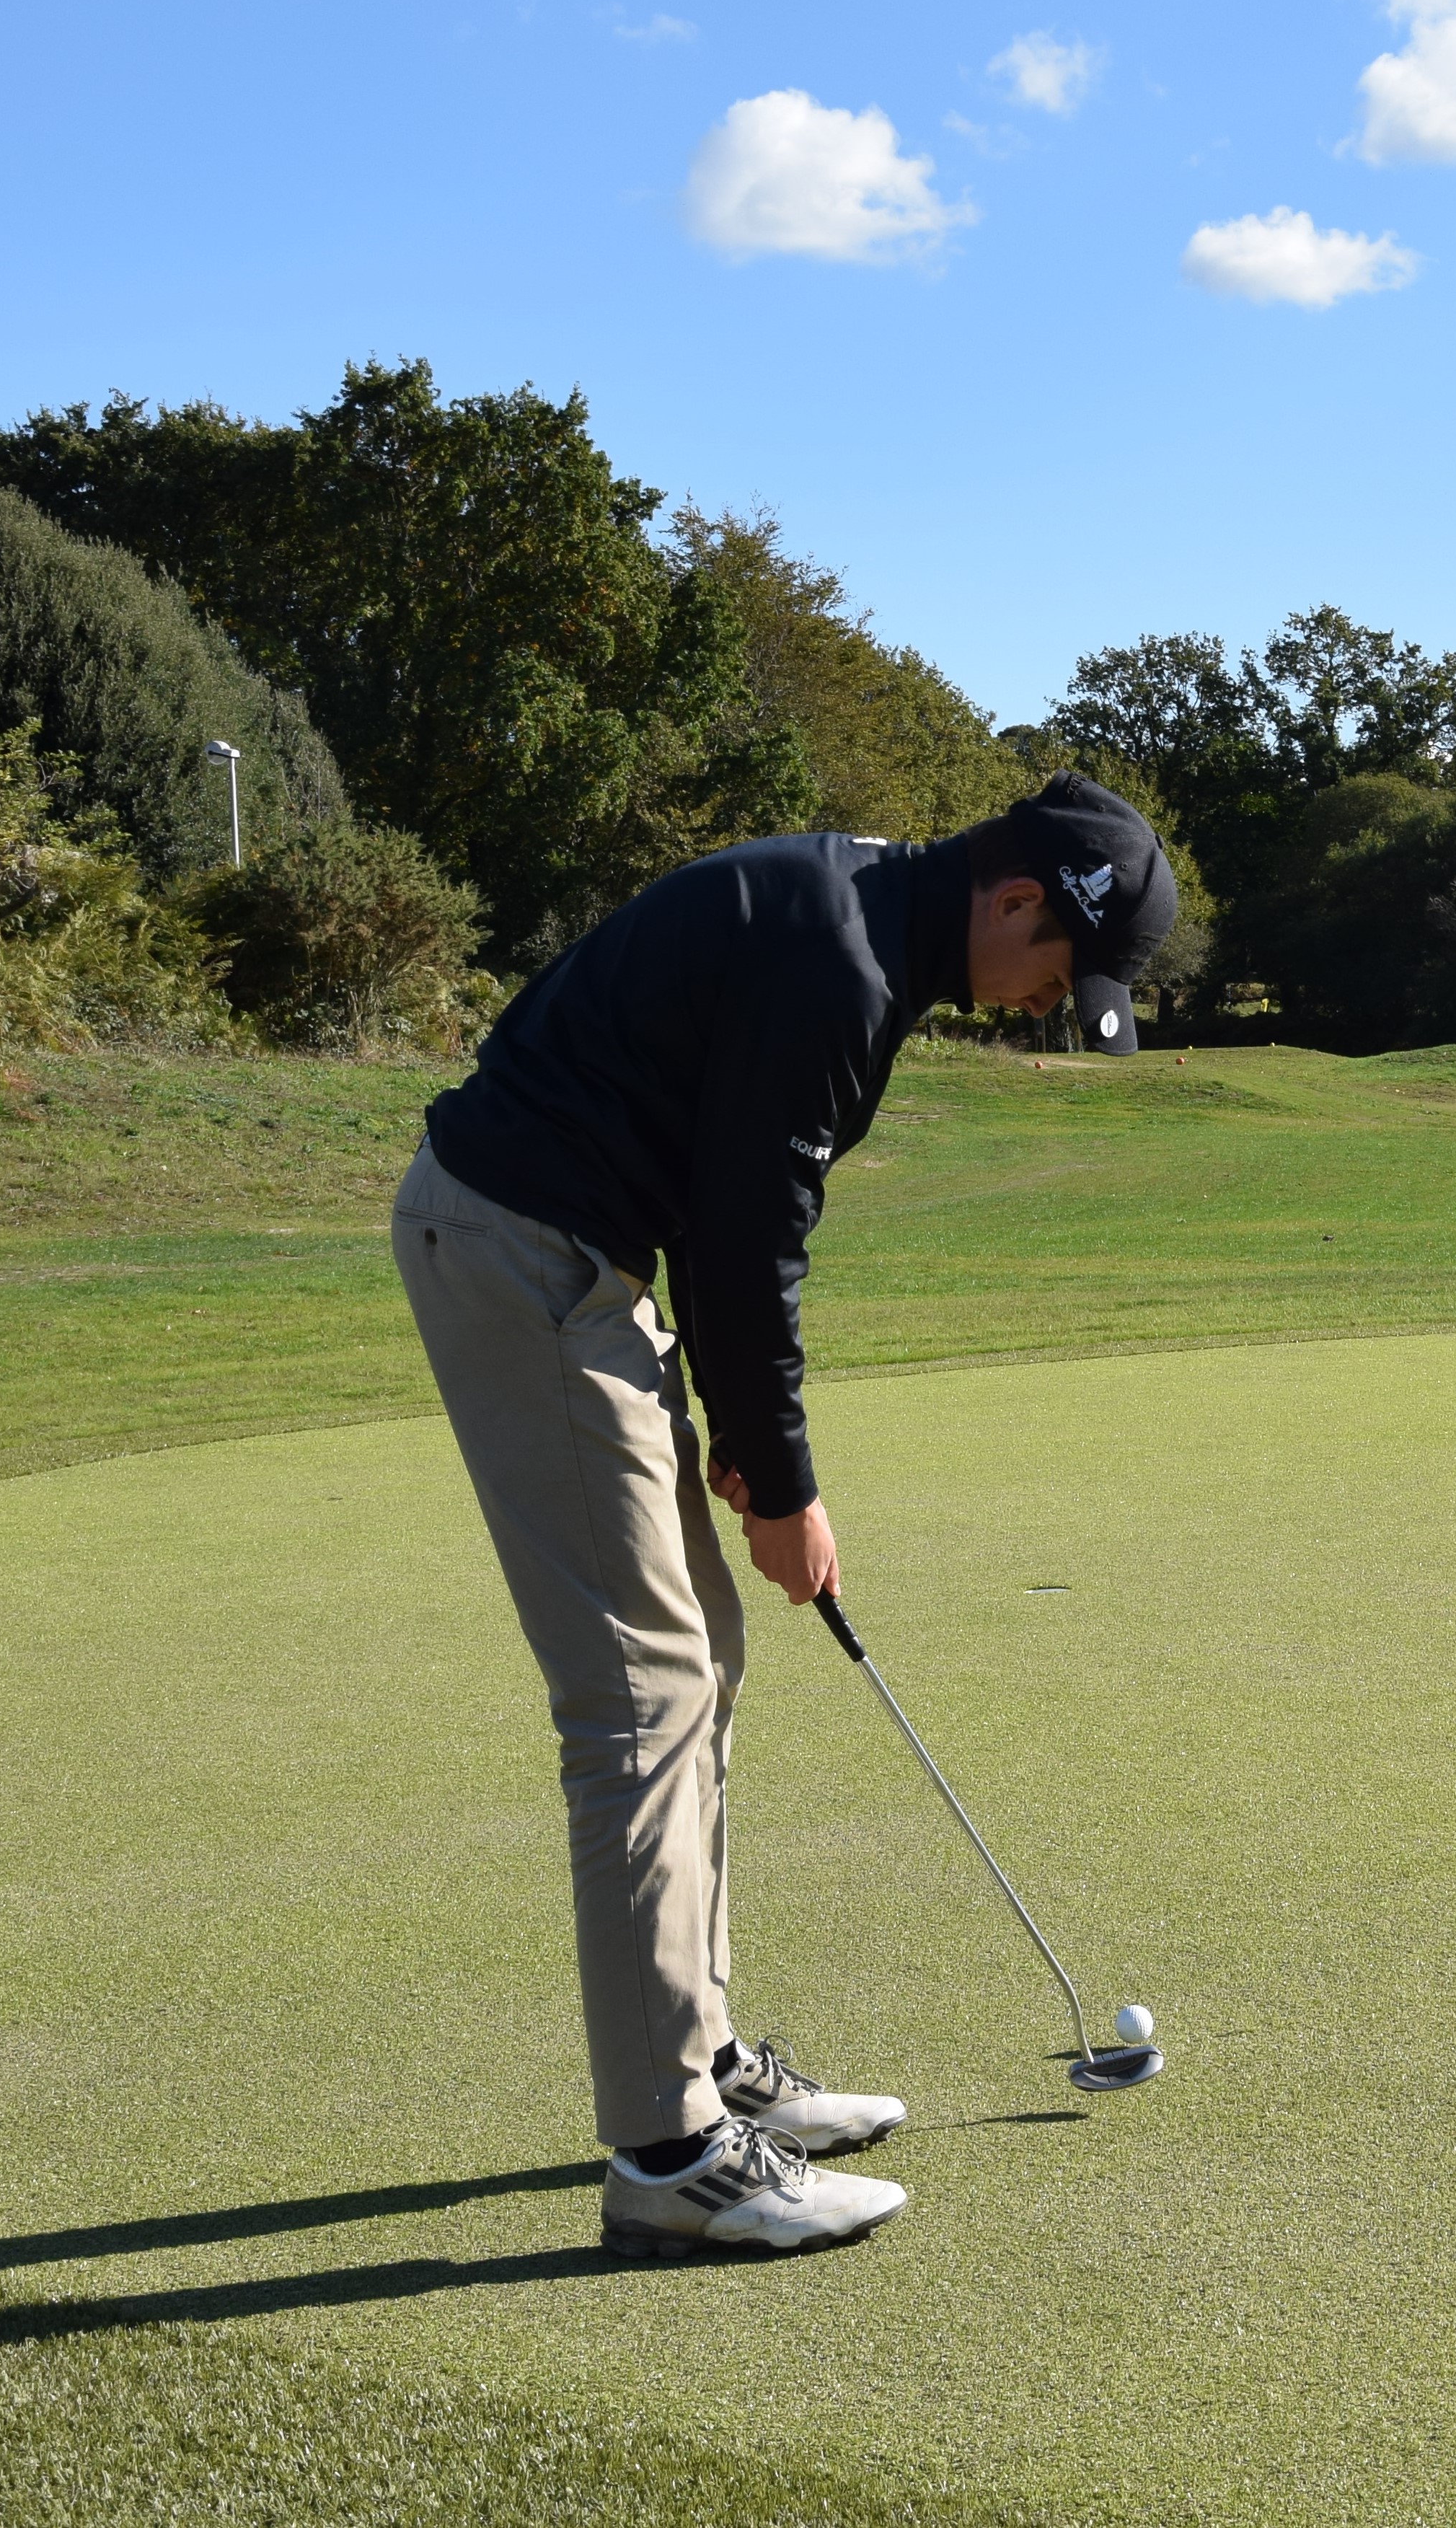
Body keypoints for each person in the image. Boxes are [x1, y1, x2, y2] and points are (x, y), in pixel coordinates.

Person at [392, 775, 1178, 2259]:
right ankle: (670, 2151)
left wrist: (752, 1453)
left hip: (576, 1253)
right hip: (523, 1251)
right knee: (641, 1691)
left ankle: (703, 2053)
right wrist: (787, 1482)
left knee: (707, 1656)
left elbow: (717, 1193)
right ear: (1017, 901)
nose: (1042, 1004)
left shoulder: (863, 922)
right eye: (1060, 973)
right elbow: (751, 1242)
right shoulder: (843, 958)